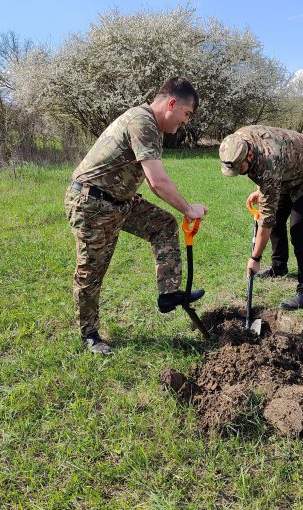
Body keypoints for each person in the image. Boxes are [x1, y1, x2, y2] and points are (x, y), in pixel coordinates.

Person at [65, 77, 208, 354]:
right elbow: (157, 181)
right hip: (91, 203)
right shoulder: (142, 122)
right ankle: (90, 334)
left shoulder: (152, 126)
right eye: (187, 114)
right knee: (92, 270)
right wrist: (189, 209)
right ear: (172, 103)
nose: (186, 121)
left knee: (163, 224)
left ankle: (168, 294)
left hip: (120, 202)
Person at [219, 125, 303, 310]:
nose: (238, 173)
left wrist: (255, 258)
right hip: (286, 172)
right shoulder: (239, 139)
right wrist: (260, 190)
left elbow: (266, 219)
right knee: (278, 219)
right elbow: (262, 173)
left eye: (240, 168)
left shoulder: (269, 161)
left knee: (299, 231)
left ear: (250, 155)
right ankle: (279, 268)